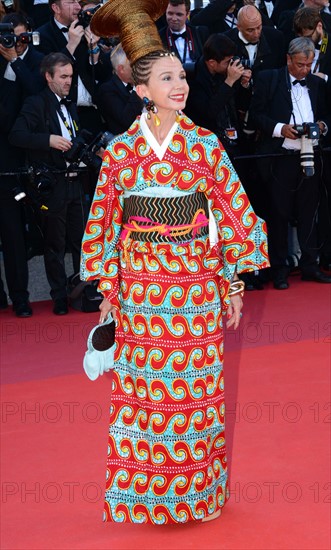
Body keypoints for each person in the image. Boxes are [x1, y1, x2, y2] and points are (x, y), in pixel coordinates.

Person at [81, 0, 269, 525]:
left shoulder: (205, 145)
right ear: (141, 90)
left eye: (181, 75)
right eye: (167, 78)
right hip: (141, 289)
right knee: (145, 398)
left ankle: (201, 496)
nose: (180, 85)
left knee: (198, 393)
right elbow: (102, 225)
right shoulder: (120, 152)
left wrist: (232, 284)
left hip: (195, 287)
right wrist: (109, 293)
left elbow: (233, 214)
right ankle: (147, 497)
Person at [249, 37, 331, 289]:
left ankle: (309, 265)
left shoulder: (317, 84)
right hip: (280, 159)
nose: (305, 69)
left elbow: (328, 115)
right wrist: (279, 129)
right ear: (287, 59)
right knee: (279, 215)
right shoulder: (268, 79)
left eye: (308, 65)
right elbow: (255, 116)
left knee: (309, 213)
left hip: (311, 156)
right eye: (300, 65)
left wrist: (322, 126)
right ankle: (280, 269)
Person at [9, 52, 87, 315]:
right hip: (52, 184)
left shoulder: (70, 103)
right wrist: (49, 140)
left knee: (80, 241)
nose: (68, 82)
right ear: (48, 77)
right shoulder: (35, 103)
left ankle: (81, 290)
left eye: (71, 77)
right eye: (63, 77)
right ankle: (59, 297)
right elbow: (17, 135)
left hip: (75, 180)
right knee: (55, 244)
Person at [0, 12, 44, 317]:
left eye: (18, 37)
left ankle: (21, 297)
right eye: (7, 37)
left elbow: (37, 93)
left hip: (11, 166)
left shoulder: (28, 63)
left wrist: (14, 60)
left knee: (14, 235)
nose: (12, 43)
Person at [95, 44, 142, 135]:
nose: (139, 67)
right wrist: (138, 88)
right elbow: (126, 120)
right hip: (126, 143)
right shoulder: (107, 90)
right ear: (121, 69)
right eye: (134, 65)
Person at [158, 0, 209, 66]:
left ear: (187, 14)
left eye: (179, 14)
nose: (174, 18)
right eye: (170, 13)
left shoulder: (200, 33)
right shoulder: (157, 37)